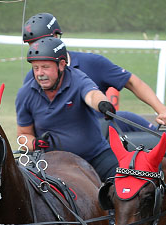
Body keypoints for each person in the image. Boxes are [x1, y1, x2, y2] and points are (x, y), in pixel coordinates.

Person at [21, 12, 166, 132]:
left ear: (56, 37)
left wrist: (163, 111)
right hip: (63, 148)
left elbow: (132, 82)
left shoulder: (93, 63)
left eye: (40, 42)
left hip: (102, 138)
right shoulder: (32, 79)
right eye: (31, 45)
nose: (36, 49)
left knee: (129, 121)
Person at [15, 37, 123, 182]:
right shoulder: (25, 94)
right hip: (54, 163)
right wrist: (34, 143)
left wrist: (103, 103)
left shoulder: (77, 78)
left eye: (45, 67)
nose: (40, 73)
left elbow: (91, 95)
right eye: (36, 68)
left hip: (96, 156)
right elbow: (23, 135)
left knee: (126, 184)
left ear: (61, 65)